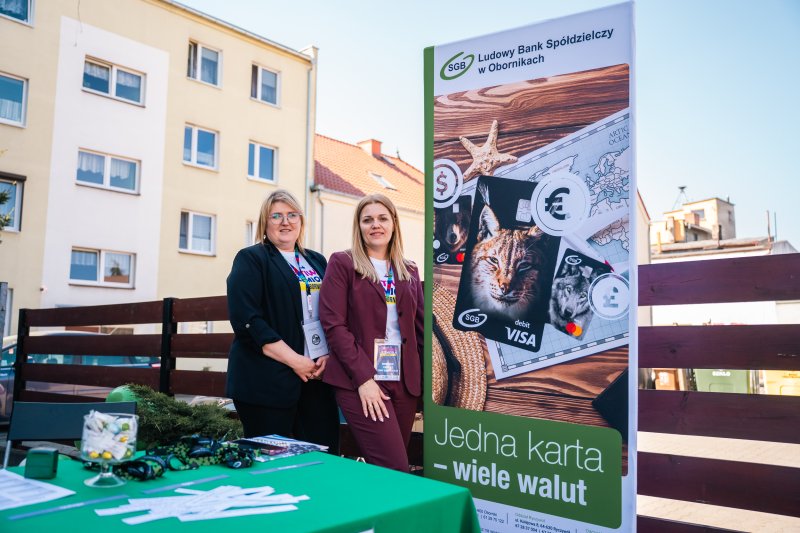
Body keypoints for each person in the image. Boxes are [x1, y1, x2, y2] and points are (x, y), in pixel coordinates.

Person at [226, 189, 339, 452]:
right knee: (272, 462)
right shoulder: (251, 258)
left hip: (316, 378)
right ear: (265, 223)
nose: (285, 222)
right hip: (266, 380)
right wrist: (295, 360)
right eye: (276, 216)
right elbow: (247, 320)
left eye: (292, 215)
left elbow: (331, 312)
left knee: (323, 457)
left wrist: (328, 354)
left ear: (301, 221)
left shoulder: (317, 261)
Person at [319, 193, 423, 471]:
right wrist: (364, 379)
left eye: (382, 218)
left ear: (394, 224)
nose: (375, 225)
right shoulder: (343, 263)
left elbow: (420, 330)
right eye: (367, 220)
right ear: (359, 227)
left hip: (404, 382)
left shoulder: (409, 270)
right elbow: (334, 325)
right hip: (361, 378)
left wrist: (424, 389)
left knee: (387, 471)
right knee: (395, 466)